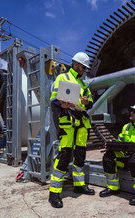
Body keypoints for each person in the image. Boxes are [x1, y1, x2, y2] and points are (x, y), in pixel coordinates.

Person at [49, 52, 95, 208]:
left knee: (80, 156)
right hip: (68, 122)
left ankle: (79, 185)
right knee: (64, 157)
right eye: (83, 67)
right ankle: (54, 194)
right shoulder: (62, 78)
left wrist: (86, 101)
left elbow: (90, 103)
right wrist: (62, 105)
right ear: (76, 65)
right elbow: (54, 99)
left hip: (82, 124)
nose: (84, 71)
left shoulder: (84, 84)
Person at [99, 101, 135, 205]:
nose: (131, 113)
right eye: (131, 110)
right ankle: (113, 187)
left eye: (134, 111)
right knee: (108, 157)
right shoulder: (126, 127)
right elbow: (120, 141)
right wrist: (113, 144)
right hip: (127, 158)